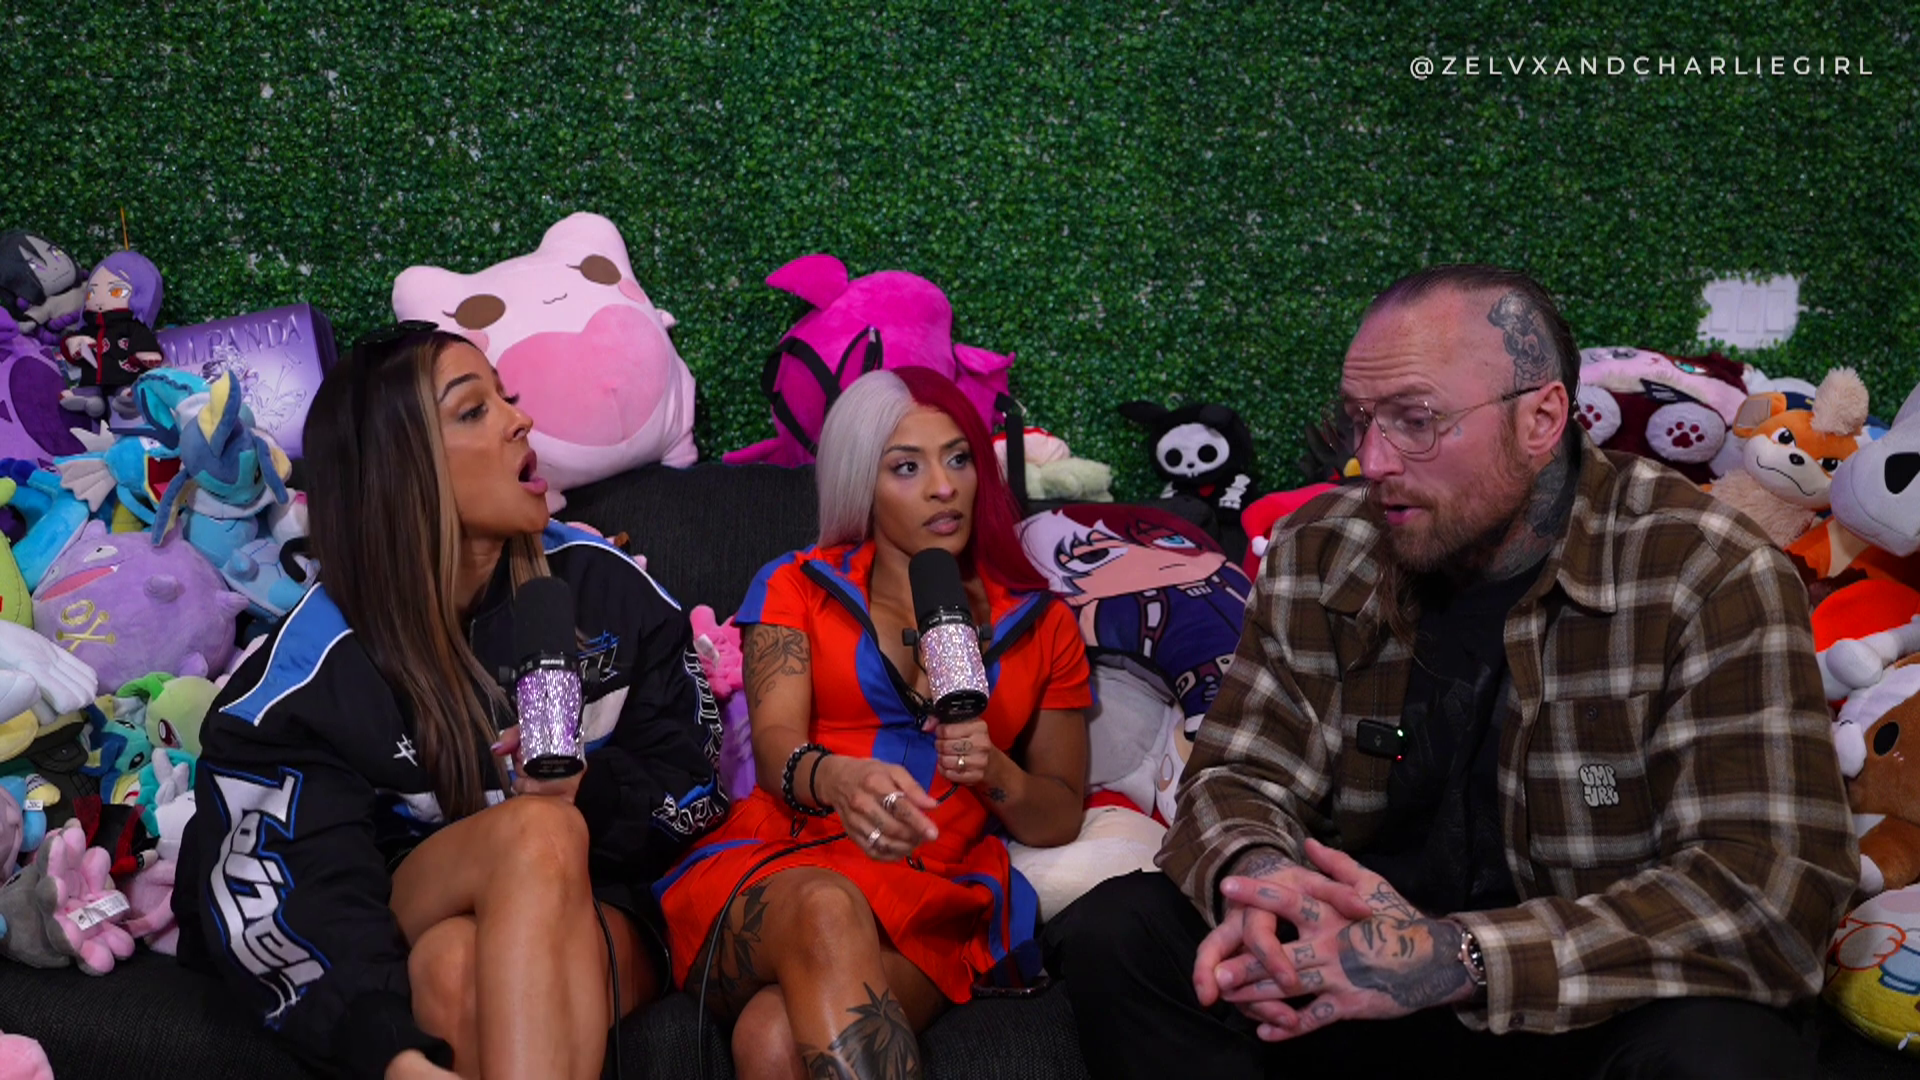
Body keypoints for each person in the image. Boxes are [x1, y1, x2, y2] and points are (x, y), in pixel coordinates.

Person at [1047, 265, 1859, 1079]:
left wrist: (1460, 957)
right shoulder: (1321, 548)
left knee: (1722, 1053)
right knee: (1121, 932)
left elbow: (1767, 889)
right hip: (1360, 980)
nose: (1372, 460)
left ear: (1542, 419)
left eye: (1416, 421)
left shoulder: (1708, 570)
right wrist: (1264, 880)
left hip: (1583, 999)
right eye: (1360, 420)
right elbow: (1239, 774)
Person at [173, 325, 729, 1080]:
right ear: (396, 470)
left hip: (597, 915)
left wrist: (588, 794)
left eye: (508, 398)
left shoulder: (606, 589)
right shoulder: (306, 676)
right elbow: (286, 893)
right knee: (532, 834)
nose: (520, 421)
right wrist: (388, 1056)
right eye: (474, 410)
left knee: (456, 962)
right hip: (395, 913)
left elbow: (696, 786)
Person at [657, 367, 1092, 1079]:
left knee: (771, 1038)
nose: (943, 487)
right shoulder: (796, 584)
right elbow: (774, 743)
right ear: (861, 481)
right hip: (786, 861)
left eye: (958, 458)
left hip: (933, 887)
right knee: (826, 906)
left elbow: (1059, 816)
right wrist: (837, 779)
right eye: (907, 467)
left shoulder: (1042, 626)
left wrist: (996, 772)